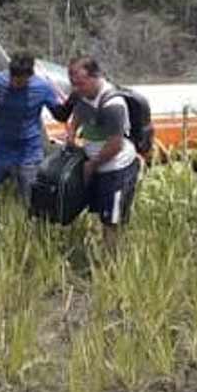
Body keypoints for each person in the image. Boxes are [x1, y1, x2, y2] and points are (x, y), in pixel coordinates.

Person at [0, 52, 75, 237]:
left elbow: (60, 115)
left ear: (30, 75)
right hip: (0, 153)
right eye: (13, 78)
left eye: (21, 81)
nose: (16, 84)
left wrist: (74, 98)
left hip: (28, 155)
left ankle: (36, 244)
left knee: (33, 206)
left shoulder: (41, 88)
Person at [66, 55, 141, 251]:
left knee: (112, 220)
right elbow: (78, 112)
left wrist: (92, 165)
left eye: (80, 83)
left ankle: (111, 264)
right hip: (96, 163)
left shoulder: (113, 105)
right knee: (99, 212)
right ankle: (102, 251)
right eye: (73, 84)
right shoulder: (82, 95)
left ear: (94, 77)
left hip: (116, 167)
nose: (77, 89)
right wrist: (72, 133)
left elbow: (115, 144)